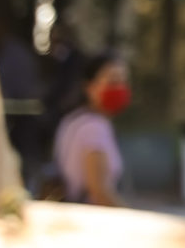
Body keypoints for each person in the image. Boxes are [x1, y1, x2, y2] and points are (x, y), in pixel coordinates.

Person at [52, 53, 131, 206]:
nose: (120, 88)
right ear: (90, 87)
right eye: (113, 81)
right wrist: (131, 217)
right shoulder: (94, 129)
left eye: (124, 81)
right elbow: (100, 192)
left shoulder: (74, 119)